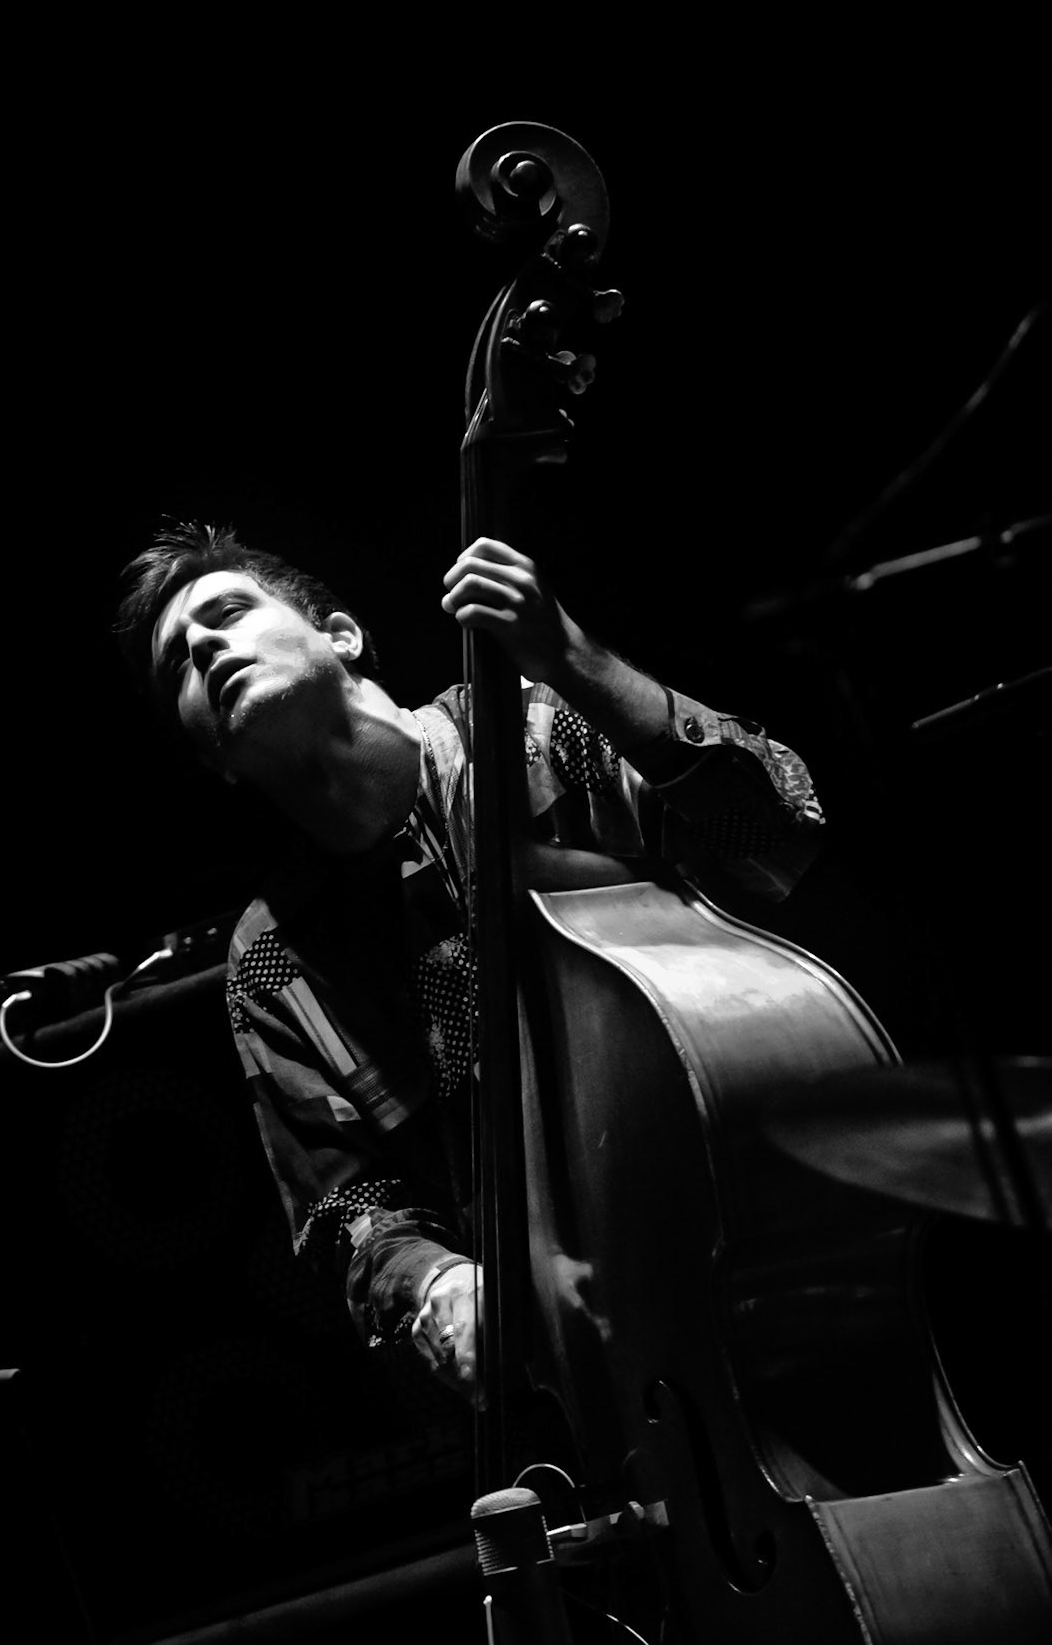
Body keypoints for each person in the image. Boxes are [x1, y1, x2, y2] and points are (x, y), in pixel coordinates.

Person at [114, 523, 824, 1402]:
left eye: (226, 612)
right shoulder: (268, 966)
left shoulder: (529, 730)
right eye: (179, 663)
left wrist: (572, 657)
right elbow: (349, 1210)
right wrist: (442, 1289)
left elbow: (777, 840)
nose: (205, 646)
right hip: (600, 1382)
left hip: (784, 1244)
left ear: (340, 635)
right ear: (211, 759)